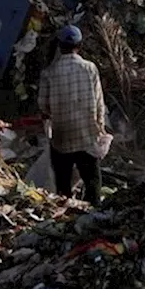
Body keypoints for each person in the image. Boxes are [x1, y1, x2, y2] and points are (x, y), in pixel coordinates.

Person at [37, 25, 106, 204]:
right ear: (79, 45)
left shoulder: (49, 73)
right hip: (87, 135)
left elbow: (43, 106)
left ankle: (65, 210)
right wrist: (100, 129)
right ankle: (95, 211)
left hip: (62, 137)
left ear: (60, 46)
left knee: (63, 183)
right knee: (92, 180)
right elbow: (99, 103)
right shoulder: (90, 68)